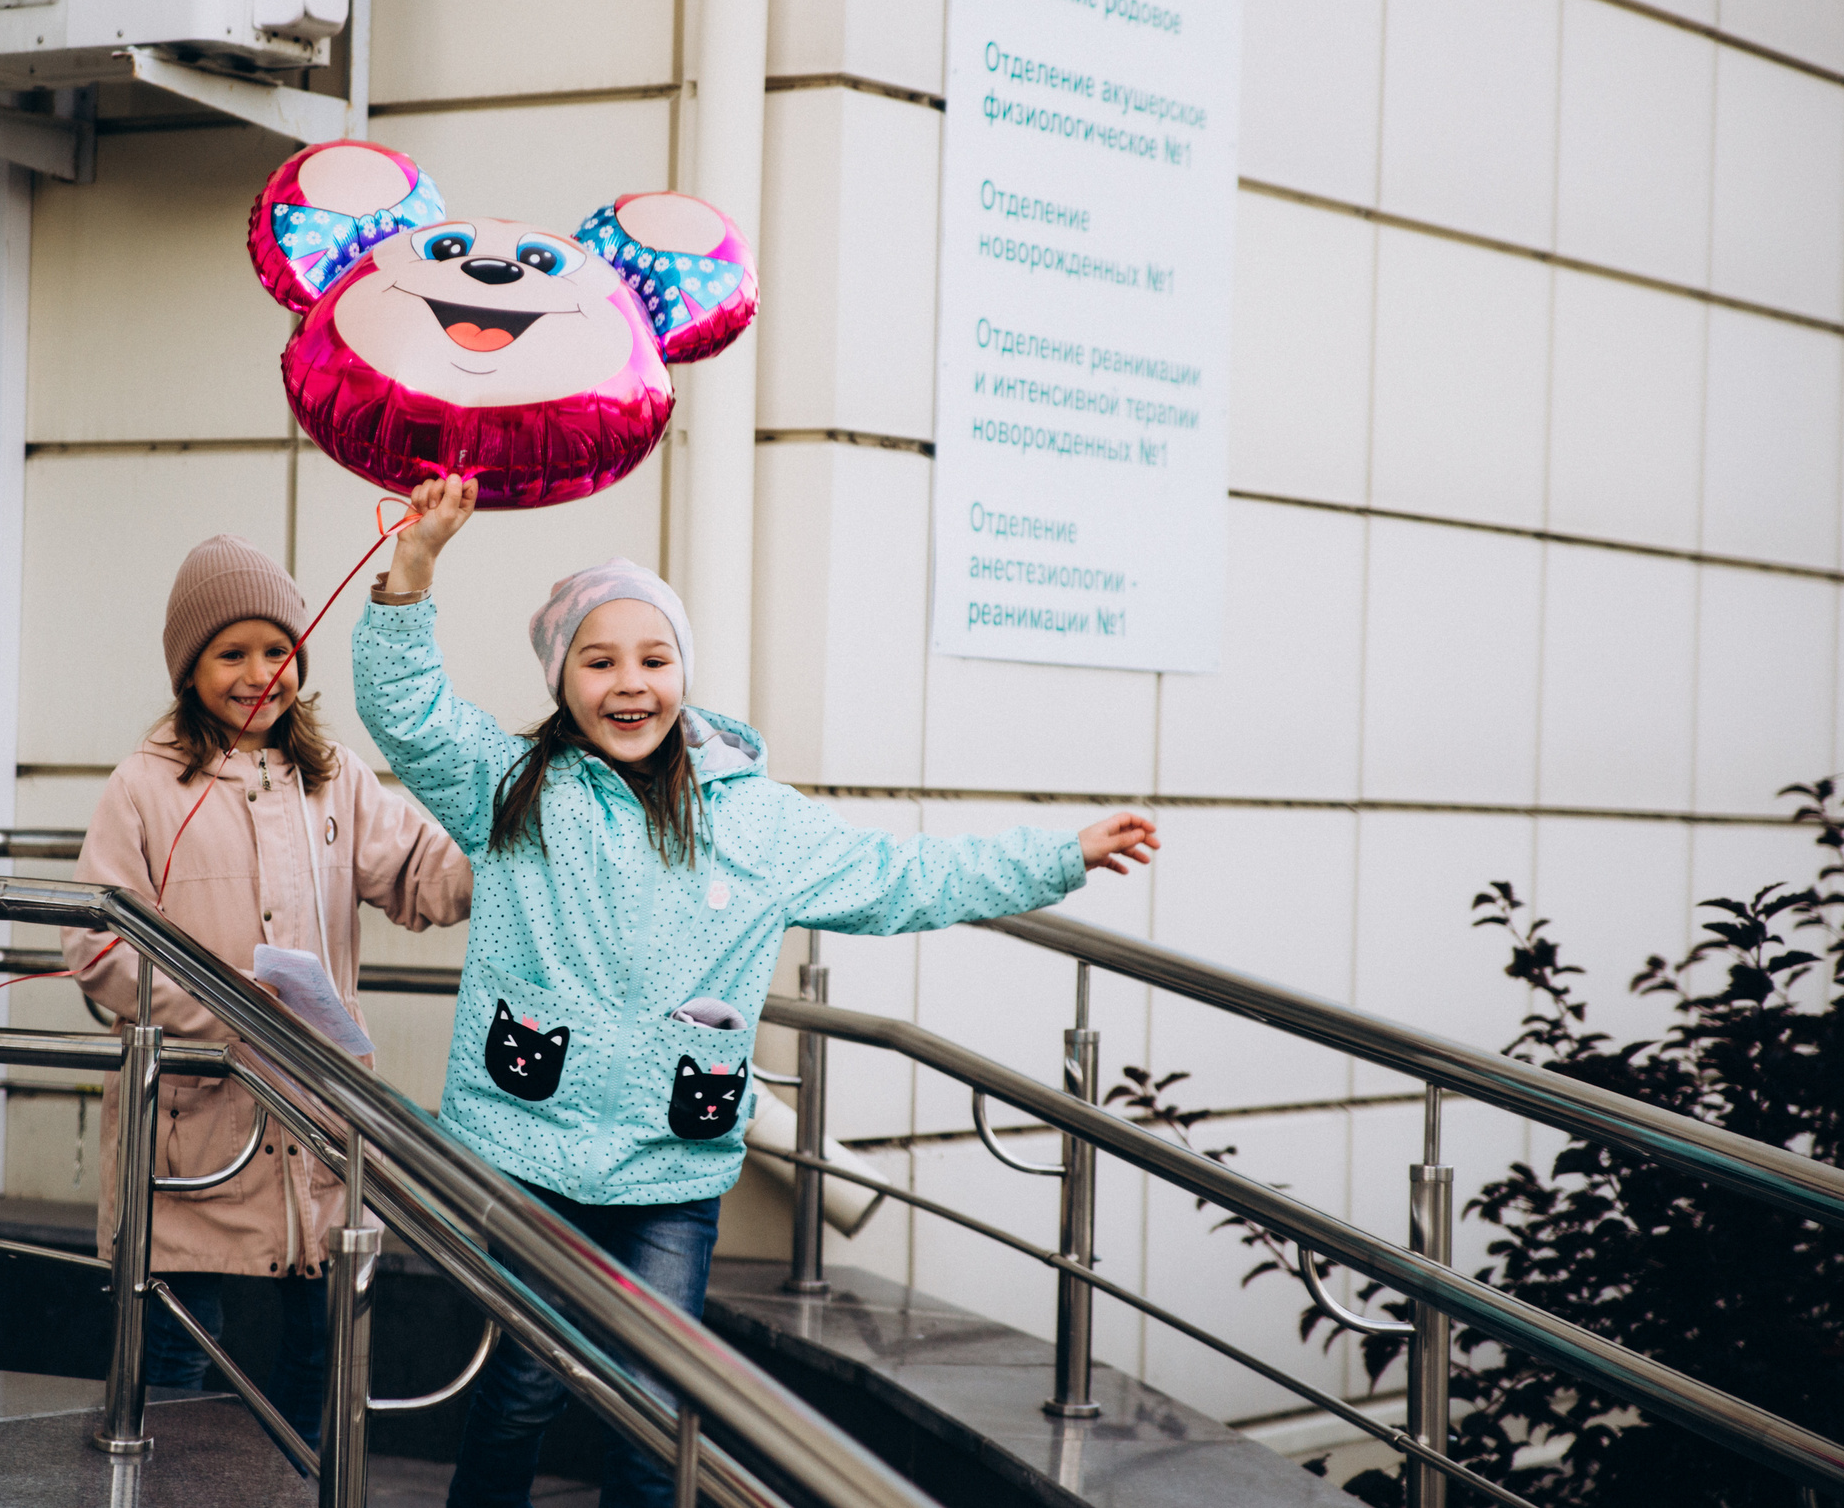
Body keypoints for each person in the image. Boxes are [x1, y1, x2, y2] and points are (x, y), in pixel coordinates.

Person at [351, 475, 1159, 1508]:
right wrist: (413, 568)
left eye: (654, 657)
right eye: (598, 660)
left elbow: (904, 876)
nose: (629, 681)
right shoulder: (514, 786)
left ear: (685, 670)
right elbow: (406, 709)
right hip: (532, 1151)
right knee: (519, 1389)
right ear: (563, 680)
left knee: (658, 1408)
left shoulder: (756, 819)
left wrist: (1062, 852)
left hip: (670, 1168)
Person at [62, 533, 473, 1448]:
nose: (260, 674)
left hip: (317, 1129)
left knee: (316, 1358)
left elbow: (420, 872)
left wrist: (511, 847)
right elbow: (98, 948)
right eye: (231, 653)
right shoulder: (144, 787)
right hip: (194, 1123)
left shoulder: (332, 779)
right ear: (189, 668)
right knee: (175, 1355)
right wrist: (234, 1010)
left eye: (277, 650)